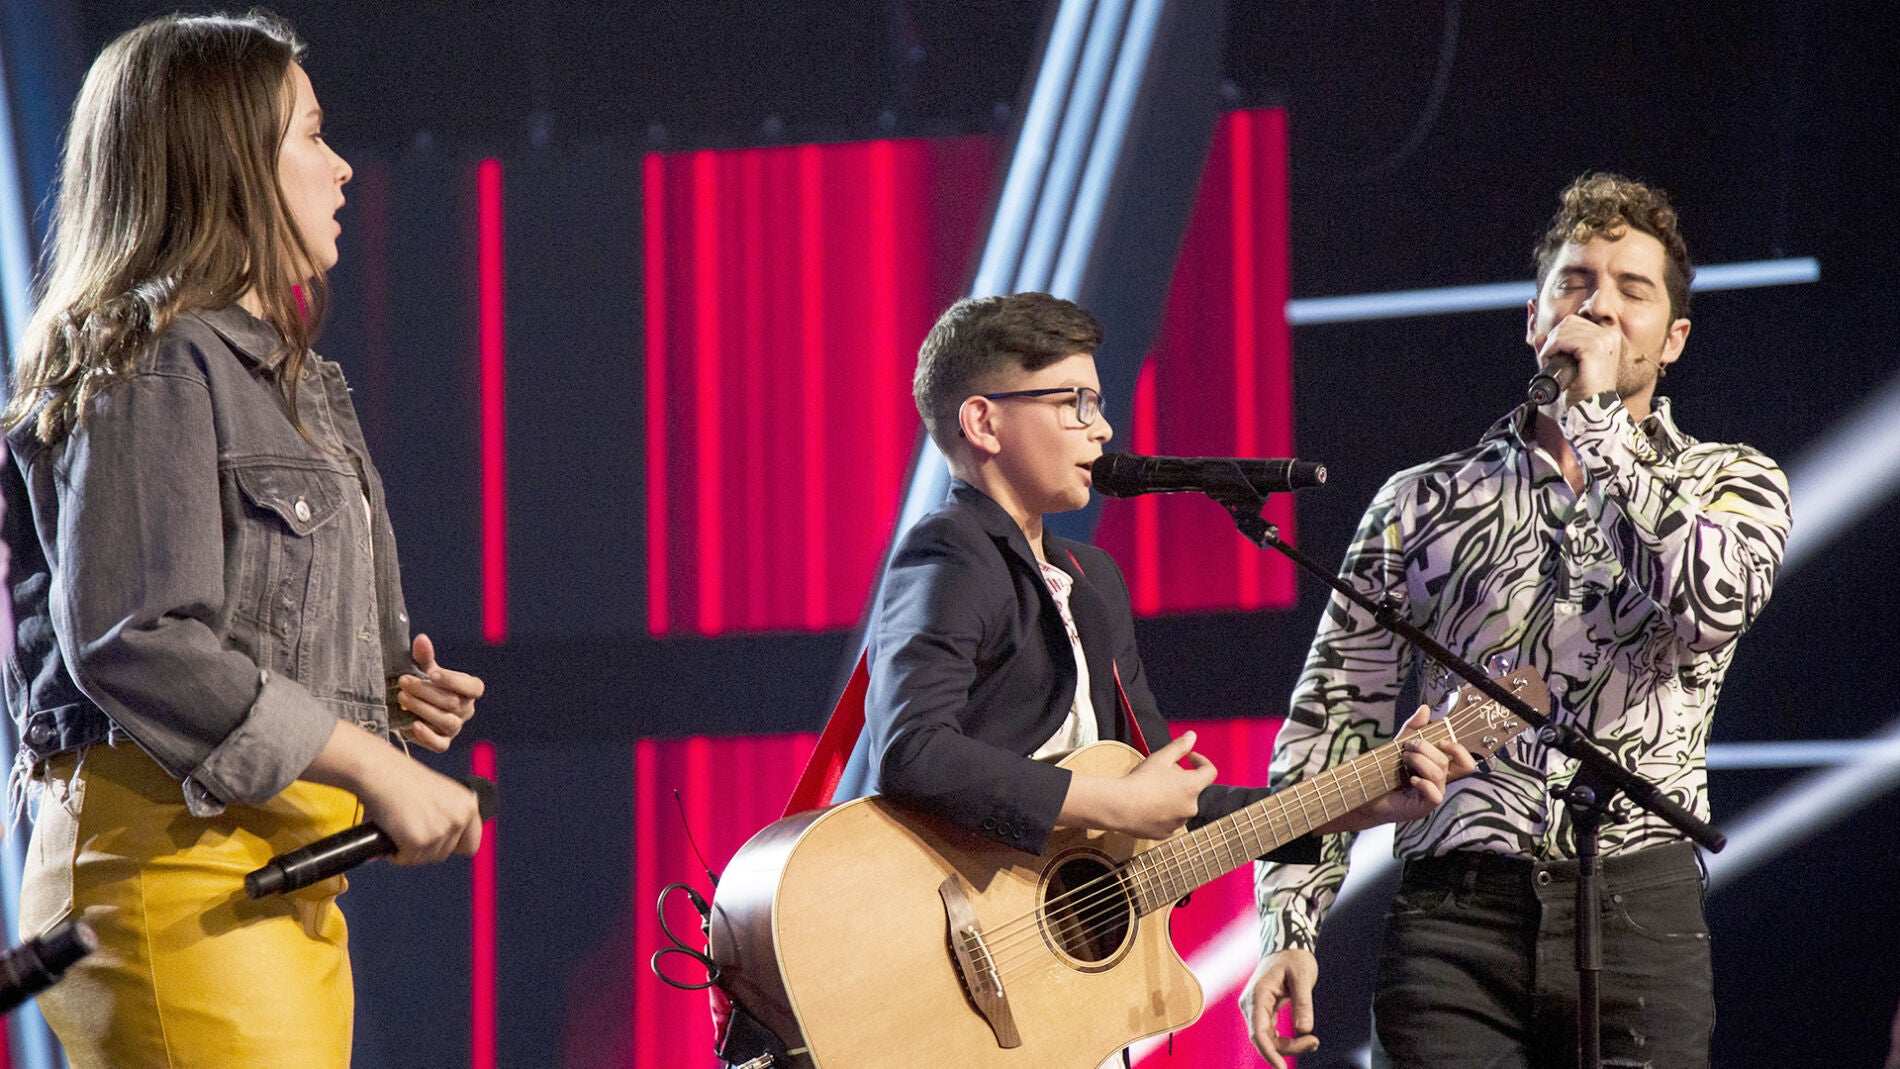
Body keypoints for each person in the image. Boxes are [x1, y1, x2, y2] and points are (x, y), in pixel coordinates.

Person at [1, 14, 487, 1067]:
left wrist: (380, 697)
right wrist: (368, 760)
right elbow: (137, 635)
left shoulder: (292, 381)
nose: (345, 169)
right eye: (312, 136)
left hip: (274, 878)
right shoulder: (160, 360)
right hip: (178, 878)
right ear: (226, 164)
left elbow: (239, 627)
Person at [1243, 173, 1793, 1068]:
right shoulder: (1423, 501)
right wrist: (1289, 923)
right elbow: (1334, 719)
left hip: (1637, 910)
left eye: (1632, 289)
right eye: (1575, 283)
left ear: (1675, 338)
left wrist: (1601, 426)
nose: (1600, 306)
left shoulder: (1733, 481)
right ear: (1534, 320)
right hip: (1452, 923)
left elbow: (1709, 603)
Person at [837, 289, 1468, 920]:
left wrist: (1357, 803)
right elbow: (913, 750)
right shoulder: (953, 549)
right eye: (1073, 403)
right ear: (983, 422)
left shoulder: (1092, 579)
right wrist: (1117, 807)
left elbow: (1173, 801)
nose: (1103, 428)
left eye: (1098, 404)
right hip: (958, 927)